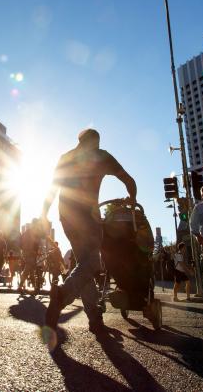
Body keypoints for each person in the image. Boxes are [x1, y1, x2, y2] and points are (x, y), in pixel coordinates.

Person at [43, 128, 137, 334]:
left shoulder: (65, 157)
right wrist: (132, 198)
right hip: (88, 217)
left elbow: (52, 188)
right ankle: (62, 296)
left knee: (83, 265)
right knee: (92, 262)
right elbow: (129, 180)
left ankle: (95, 318)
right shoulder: (101, 155)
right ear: (95, 141)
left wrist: (43, 213)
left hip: (66, 217)